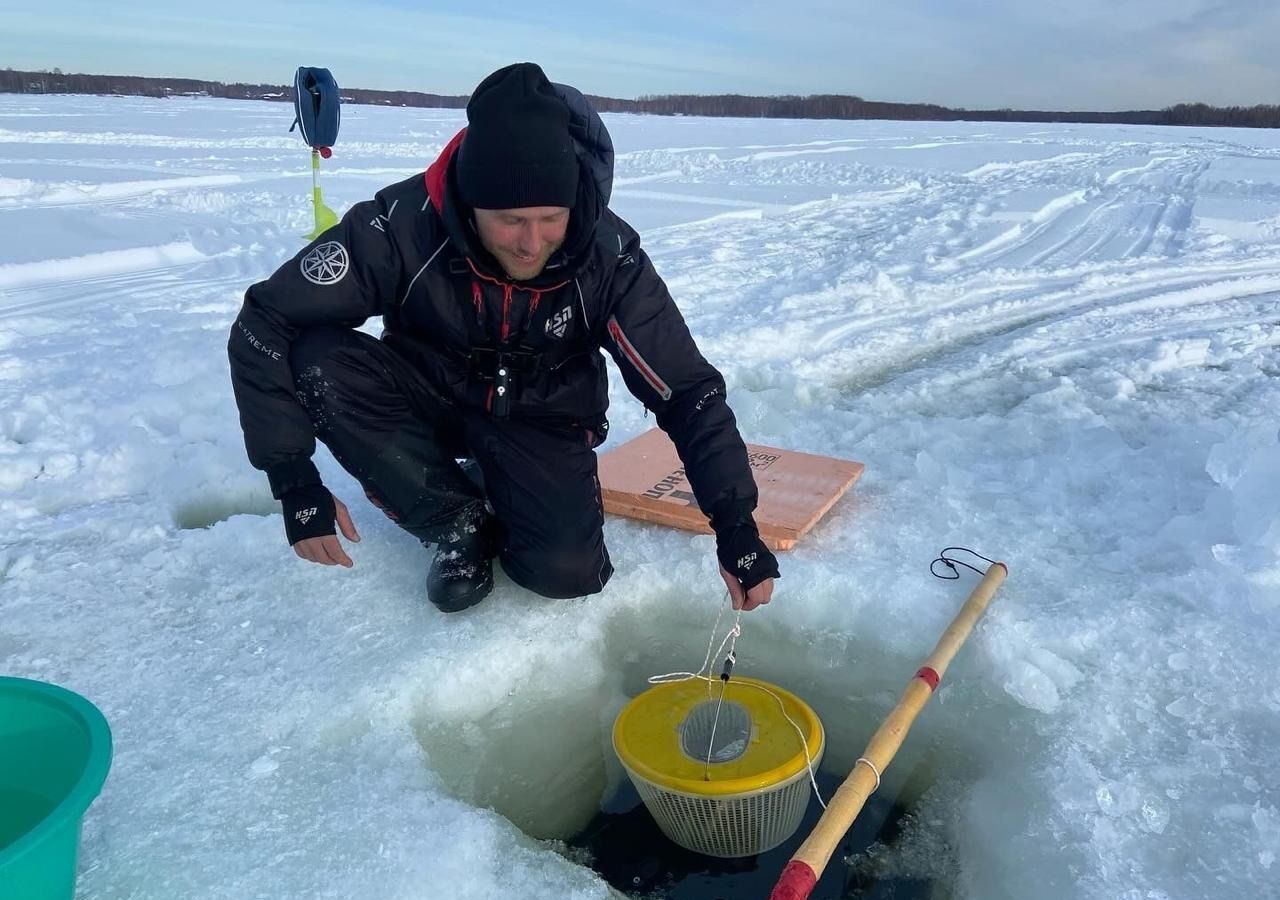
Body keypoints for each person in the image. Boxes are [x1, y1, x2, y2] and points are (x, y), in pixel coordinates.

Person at [228, 62, 779, 613]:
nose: (529, 242)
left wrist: (733, 524)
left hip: (542, 417)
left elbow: (686, 391)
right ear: (470, 202)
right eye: (510, 220)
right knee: (317, 357)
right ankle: (455, 520)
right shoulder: (401, 225)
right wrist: (294, 478)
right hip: (431, 397)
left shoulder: (608, 257)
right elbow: (267, 318)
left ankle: (507, 489)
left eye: (550, 218)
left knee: (567, 573)